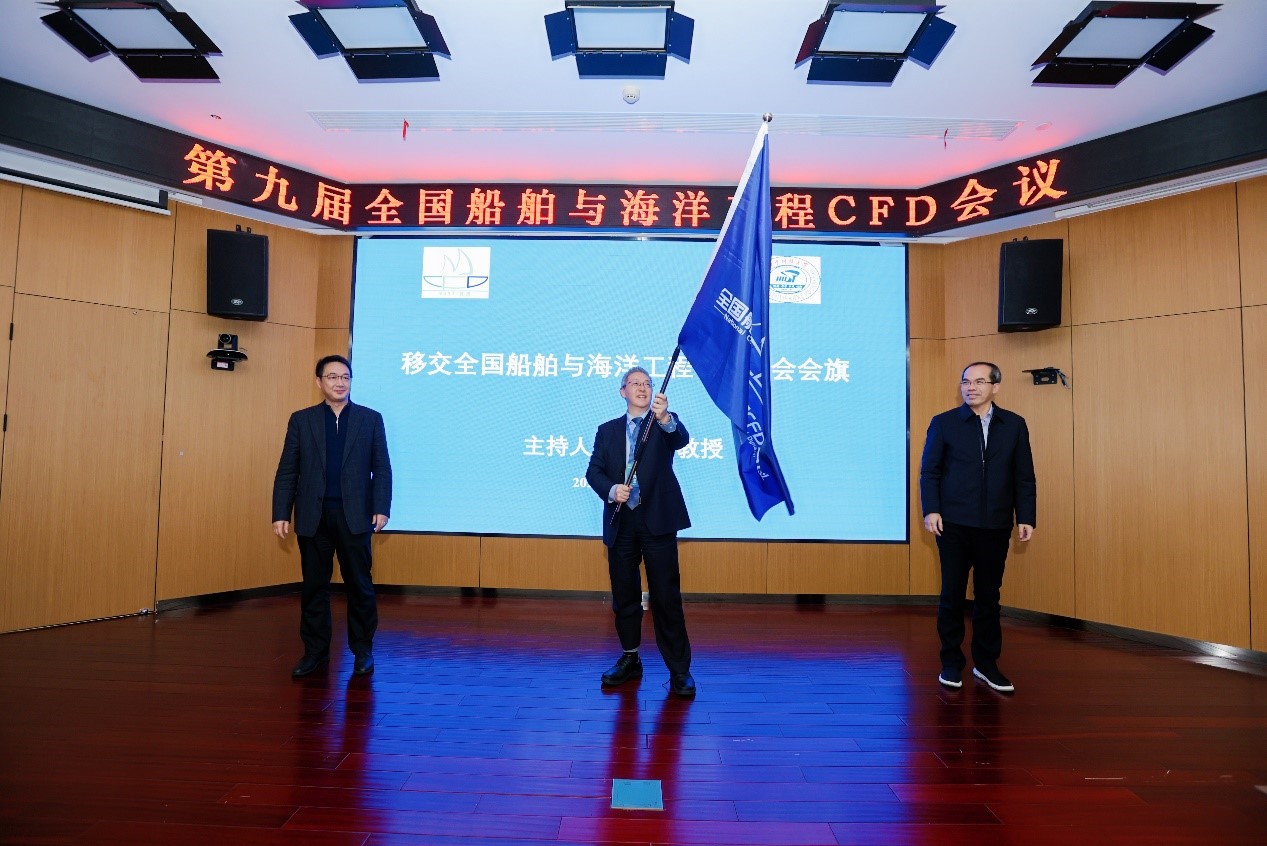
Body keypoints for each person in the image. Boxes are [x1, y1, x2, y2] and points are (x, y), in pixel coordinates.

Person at [272, 355, 392, 678]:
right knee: (314, 588)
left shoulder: (370, 419)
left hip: (355, 516)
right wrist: (281, 512)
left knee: (360, 586)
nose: (340, 383)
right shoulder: (302, 420)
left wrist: (381, 506)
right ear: (319, 382)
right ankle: (315, 653)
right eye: (332, 377)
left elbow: (381, 468)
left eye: (345, 377)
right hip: (314, 517)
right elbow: (288, 470)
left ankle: (363, 650)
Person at [920, 361, 1035, 693]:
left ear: (995, 387)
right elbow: (930, 471)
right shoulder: (944, 423)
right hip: (953, 524)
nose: (971, 387)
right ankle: (951, 663)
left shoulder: (1014, 425)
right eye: (966, 382)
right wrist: (932, 510)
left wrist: (1026, 516)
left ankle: (986, 665)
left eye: (980, 382)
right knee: (952, 595)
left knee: (988, 596)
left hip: (995, 525)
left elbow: (1024, 475)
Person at [585, 366, 696, 698]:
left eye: (647, 383)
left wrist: (665, 418)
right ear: (623, 392)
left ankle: (679, 670)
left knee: (666, 597)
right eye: (635, 383)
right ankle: (630, 657)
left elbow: (680, 439)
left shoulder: (663, 423)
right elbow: (593, 471)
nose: (643, 388)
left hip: (657, 519)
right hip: (621, 521)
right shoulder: (607, 431)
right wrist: (611, 489)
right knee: (625, 595)